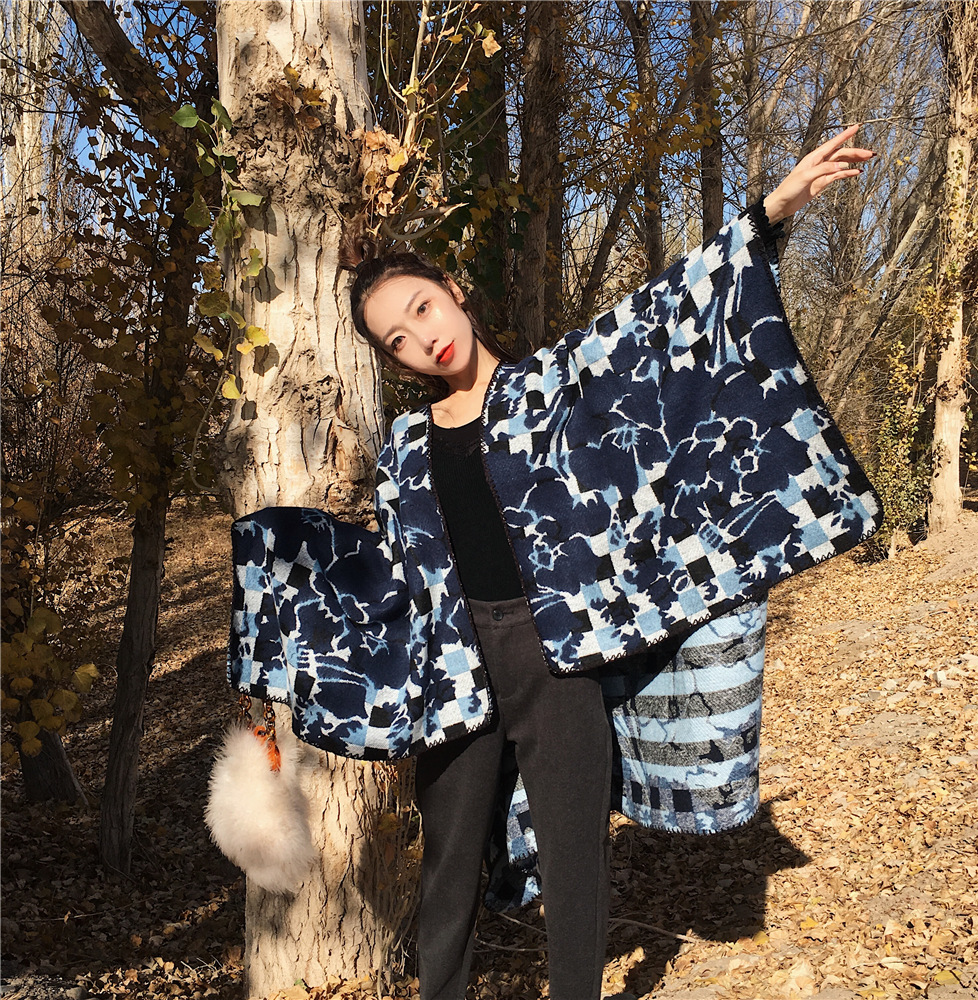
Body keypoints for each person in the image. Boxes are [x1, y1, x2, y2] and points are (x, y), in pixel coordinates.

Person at [228, 126, 881, 1000]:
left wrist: (772, 210)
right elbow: (398, 581)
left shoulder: (554, 387)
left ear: (454, 293)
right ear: (392, 361)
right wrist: (283, 568)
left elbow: (663, 322)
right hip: (456, 675)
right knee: (448, 870)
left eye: (422, 307)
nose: (422, 337)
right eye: (397, 339)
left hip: (560, 658)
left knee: (577, 869)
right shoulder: (406, 449)